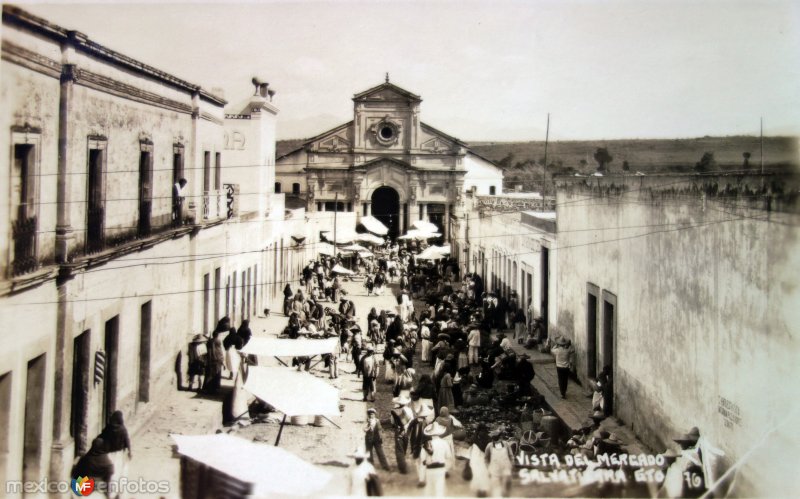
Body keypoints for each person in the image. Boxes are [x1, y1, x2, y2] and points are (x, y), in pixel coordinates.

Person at [99, 410, 131, 488]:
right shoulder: (123, 429)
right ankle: (115, 488)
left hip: (108, 452)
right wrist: (129, 451)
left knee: (109, 469)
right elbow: (127, 441)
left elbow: (101, 436)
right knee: (117, 470)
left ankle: (108, 486)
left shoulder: (108, 428)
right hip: (119, 453)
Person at [422, 421, 453, 497]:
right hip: (440, 469)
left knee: (429, 490)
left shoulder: (427, 444)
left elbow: (423, 459)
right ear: (440, 433)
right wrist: (446, 469)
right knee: (439, 490)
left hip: (430, 469)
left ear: (430, 433)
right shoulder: (444, 443)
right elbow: (448, 456)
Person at [407, 404, 433, 488]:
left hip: (421, 444)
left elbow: (428, 434)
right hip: (417, 443)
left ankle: (422, 477)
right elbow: (409, 428)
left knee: (421, 461)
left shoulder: (425, 422)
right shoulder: (416, 421)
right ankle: (421, 476)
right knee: (418, 460)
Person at [485, 429, 514, 497]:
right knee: (496, 489)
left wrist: (511, 465)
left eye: (499, 438)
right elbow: (486, 458)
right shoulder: (489, 445)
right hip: (494, 469)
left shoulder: (506, 444)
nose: (498, 440)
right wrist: (488, 467)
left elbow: (511, 456)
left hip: (506, 468)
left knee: (506, 489)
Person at [391, 393, 415, 474]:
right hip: (407, 431)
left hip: (399, 431)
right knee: (404, 447)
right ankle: (403, 462)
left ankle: (402, 467)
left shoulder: (395, 411)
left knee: (399, 449)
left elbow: (392, 422)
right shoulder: (409, 410)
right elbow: (412, 421)